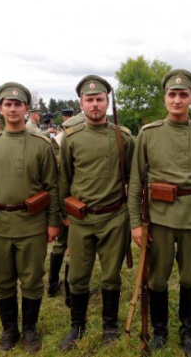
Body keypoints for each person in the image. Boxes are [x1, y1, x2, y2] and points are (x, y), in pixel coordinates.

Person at [127, 69, 191, 357]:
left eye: (184, 95)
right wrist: (135, 224)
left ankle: (187, 331)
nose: (177, 99)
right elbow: (136, 183)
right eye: (173, 94)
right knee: (157, 279)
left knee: (190, 278)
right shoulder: (148, 134)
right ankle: (159, 331)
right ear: (165, 97)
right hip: (158, 218)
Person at [0, 82, 60, 353]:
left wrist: (53, 223)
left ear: (27, 109)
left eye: (18, 104)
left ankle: (29, 330)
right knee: (2, 281)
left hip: (32, 224)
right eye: (8, 104)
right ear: (0, 109)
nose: (13, 108)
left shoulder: (41, 145)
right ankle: (9, 330)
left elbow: (52, 187)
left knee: (31, 279)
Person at [58, 75, 135, 352]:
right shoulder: (71, 138)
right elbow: (64, 180)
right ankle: (76, 325)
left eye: (99, 99)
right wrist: (63, 215)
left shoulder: (123, 137)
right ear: (80, 103)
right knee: (77, 276)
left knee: (111, 276)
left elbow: (133, 179)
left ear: (107, 102)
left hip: (114, 217)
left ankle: (110, 326)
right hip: (80, 219)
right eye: (89, 100)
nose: (94, 105)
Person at [47, 110, 85, 305]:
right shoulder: (70, 141)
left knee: (62, 244)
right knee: (73, 247)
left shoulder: (58, 141)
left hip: (63, 202)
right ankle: (70, 293)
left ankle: (53, 284)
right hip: (72, 203)